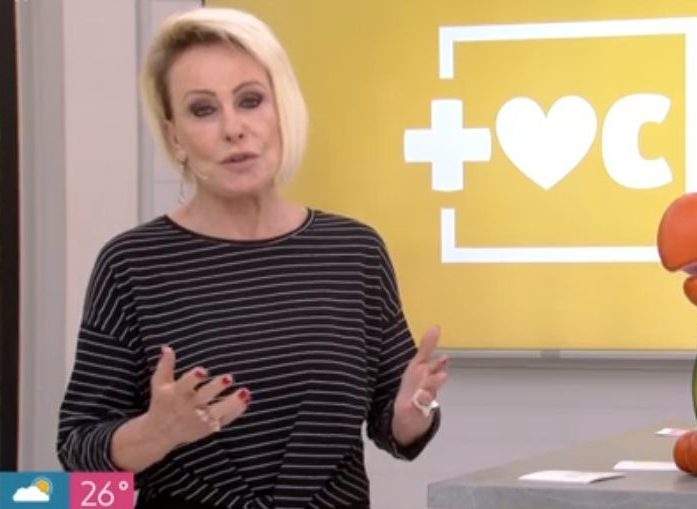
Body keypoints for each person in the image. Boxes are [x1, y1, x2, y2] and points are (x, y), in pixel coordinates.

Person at [56, 7, 447, 509]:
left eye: (250, 100)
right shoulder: (131, 264)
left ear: (282, 108)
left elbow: (395, 426)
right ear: (174, 136)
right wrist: (157, 431)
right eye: (203, 110)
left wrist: (415, 411)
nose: (233, 128)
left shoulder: (355, 251)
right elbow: (78, 449)